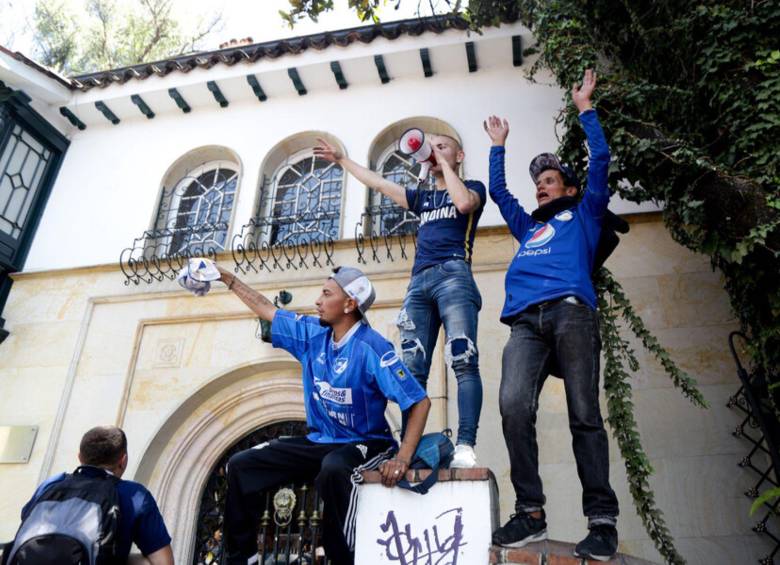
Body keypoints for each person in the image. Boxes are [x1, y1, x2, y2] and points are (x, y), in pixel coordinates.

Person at [184, 261, 431, 565]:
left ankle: (343, 558)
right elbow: (265, 308)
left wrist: (402, 458)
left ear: (349, 304)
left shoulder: (373, 347)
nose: (317, 301)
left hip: (366, 442)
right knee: (241, 464)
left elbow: (418, 401)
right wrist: (225, 277)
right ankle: (241, 558)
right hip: (320, 440)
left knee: (334, 468)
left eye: (327, 294)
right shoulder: (312, 334)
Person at [484, 69, 620, 561]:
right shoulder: (527, 228)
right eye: (537, 182)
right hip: (526, 323)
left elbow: (601, 160)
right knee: (513, 405)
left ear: (566, 188)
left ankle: (601, 521)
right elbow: (500, 195)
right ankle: (531, 513)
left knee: (585, 415)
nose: (540, 187)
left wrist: (586, 109)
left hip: (571, 314)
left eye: (548, 181)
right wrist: (499, 145)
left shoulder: (583, 215)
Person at [314, 133, 485, 468]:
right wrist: (341, 160)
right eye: (431, 146)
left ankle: (465, 444)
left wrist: (444, 164)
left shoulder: (473, 186)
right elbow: (378, 184)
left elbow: (463, 204)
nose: (434, 151)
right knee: (411, 370)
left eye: (443, 146)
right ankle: (413, 450)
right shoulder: (422, 198)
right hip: (418, 283)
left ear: (459, 154)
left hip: (454, 275)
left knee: (463, 357)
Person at [6, 426, 173, 565]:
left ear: (80, 457)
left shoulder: (51, 484)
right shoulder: (135, 495)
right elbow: (163, 563)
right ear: (123, 460)